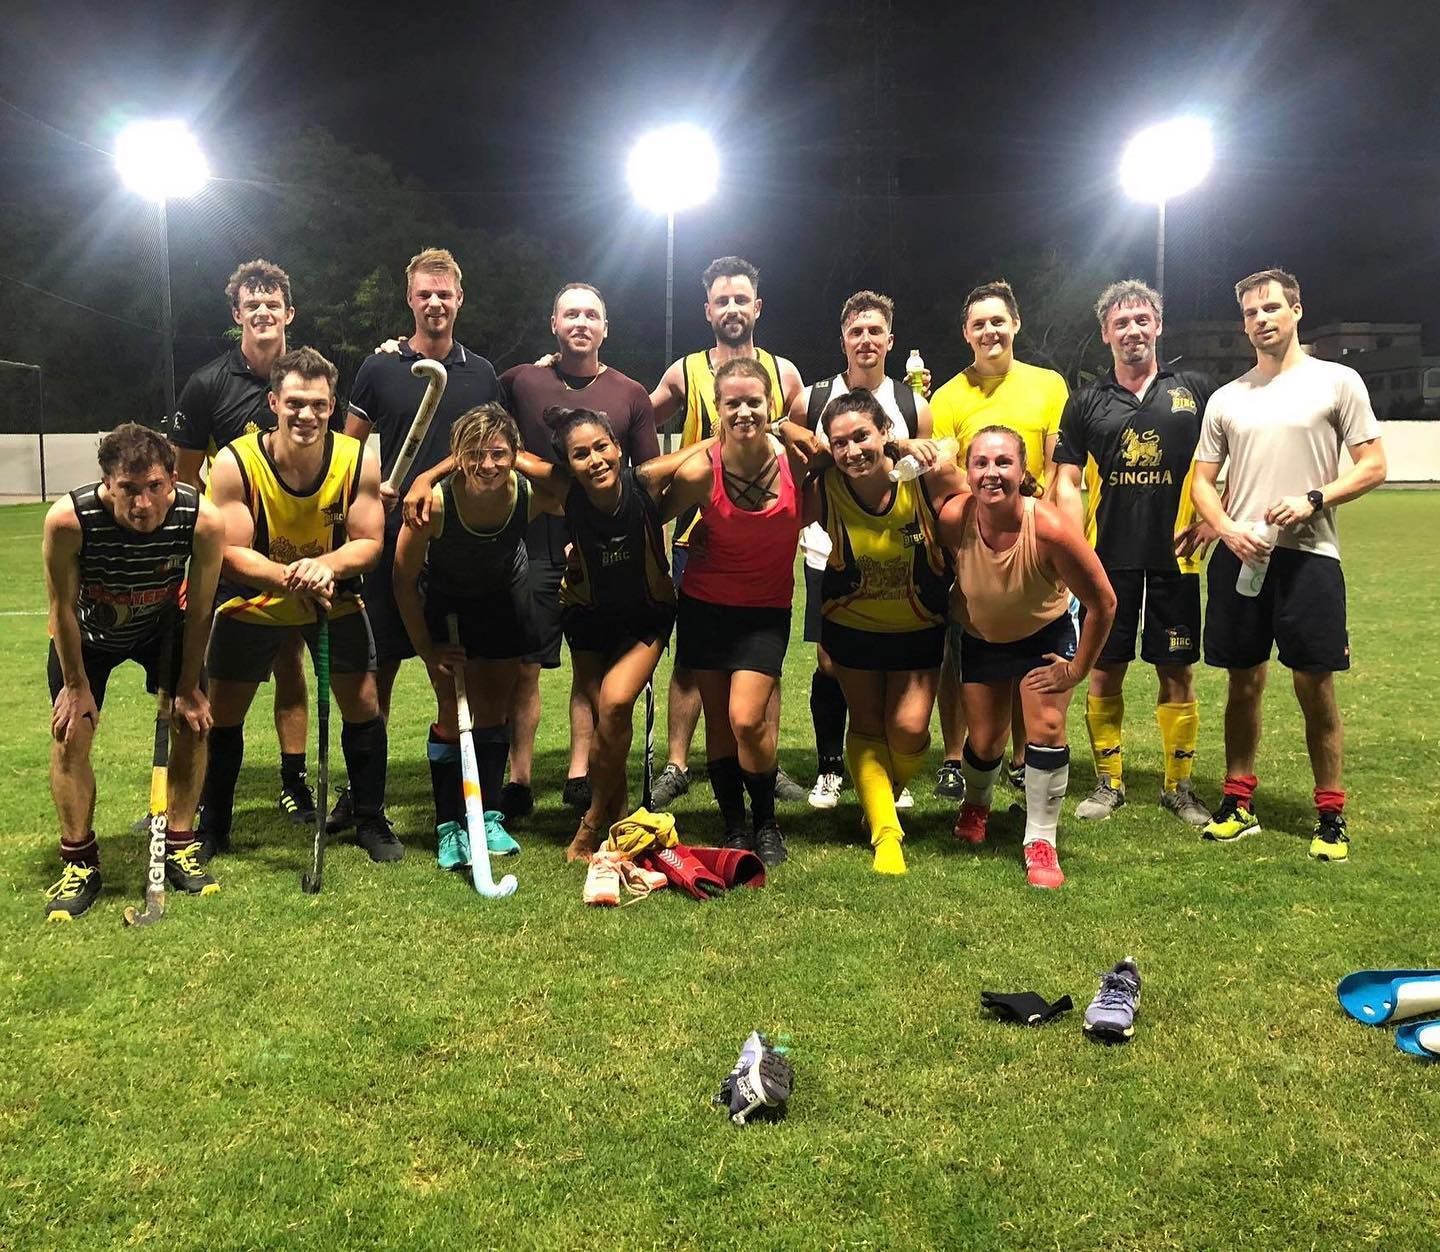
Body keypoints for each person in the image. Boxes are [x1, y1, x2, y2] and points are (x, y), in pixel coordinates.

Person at [402, 283, 659, 821]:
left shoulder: (631, 393)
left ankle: (579, 774)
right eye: (571, 313)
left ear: (605, 328)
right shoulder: (521, 379)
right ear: (554, 323)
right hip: (526, 545)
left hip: (596, 555)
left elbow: (644, 488)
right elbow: (484, 444)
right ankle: (516, 779)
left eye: (592, 314)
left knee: (596, 670)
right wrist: (428, 473)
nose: (581, 322)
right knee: (526, 668)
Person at [1190, 268, 1386, 861]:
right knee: (1242, 682)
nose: (1261, 320)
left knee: (1313, 684)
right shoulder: (1229, 396)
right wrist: (1224, 530)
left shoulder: (1337, 382)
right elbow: (1202, 482)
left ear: (1297, 310)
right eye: (1251, 313)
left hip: (1310, 558)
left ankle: (1330, 813)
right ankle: (1237, 802)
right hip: (1242, 558)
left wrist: (1314, 499)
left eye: (1271, 308)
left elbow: (1373, 464)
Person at [200, 347, 395, 863]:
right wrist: (292, 577)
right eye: (295, 403)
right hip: (259, 596)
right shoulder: (235, 461)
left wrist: (325, 566)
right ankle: (213, 823)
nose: (306, 415)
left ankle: (370, 818)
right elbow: (229, 551)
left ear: (333, 406)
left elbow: (370, 542)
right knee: (222, 711)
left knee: (364, 702)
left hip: (333, 595)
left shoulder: (358, 459)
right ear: (273, 402)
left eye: (318, 404)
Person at [339, 247, 500, 827]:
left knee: (448, 672)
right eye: (424, 294)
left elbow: (489, 450)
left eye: (444, 293)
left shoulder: (480, 372)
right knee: (375, 674)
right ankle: (362, 799)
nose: (435, 303)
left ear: (460, 299)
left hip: (454, 545)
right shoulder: (379, 367)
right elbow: (348, 450)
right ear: (410, 300)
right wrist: (368, 494)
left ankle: (457, 805)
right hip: (385, 541)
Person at [41, 423, 226, 920]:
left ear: (173, 479)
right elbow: (60, 608)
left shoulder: (202, 520)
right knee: (70, 733)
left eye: (154, 488)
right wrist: (76, 686)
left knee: (193, 722)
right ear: (107, 484)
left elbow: (203, 608)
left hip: (161, 630)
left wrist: (188, 687)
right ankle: (79, 860)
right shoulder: (70, 521)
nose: (142, 505)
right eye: (127, 490)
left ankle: (181, 843)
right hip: (88, 636)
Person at [508, 407, 710, 860]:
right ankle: (618, 811)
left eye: (602, 447)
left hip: (646, 617)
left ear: (618, 448)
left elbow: (702, 451)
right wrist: (426, 479)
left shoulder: (645, 483)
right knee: (605, 723)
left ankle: (594, 820)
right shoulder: (564, 488)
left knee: (615, 704)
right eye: (581, 454)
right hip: (587, 616)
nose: (595, 460)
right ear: (568, 465)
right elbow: (510, 452)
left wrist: (761, 429)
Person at [1050, 279, 1214, 827]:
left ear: (1158, 325)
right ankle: (1109, 783)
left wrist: (1214, 520)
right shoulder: (1087, 401)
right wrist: (1075, 551)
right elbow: (1067, 480)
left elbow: (1229, 460)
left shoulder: (1194, 389)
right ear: (1105, 334)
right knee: (1103, 670)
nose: (1133, 330)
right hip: (1107, 559)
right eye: (1121, 323)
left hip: (1176, 561)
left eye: (1142, 319)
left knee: (1177, 670)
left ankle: (1178, 786)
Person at [647, 256, 808, 809]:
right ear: (708, 309)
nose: (733, 308)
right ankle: (675, 762)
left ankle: (766, 756)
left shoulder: (783, 373)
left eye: (743, 299)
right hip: (699, 528)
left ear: (757, 307)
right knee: (693, 660)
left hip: (761, 531)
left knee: (760, 658)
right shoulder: (684, 370)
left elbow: (806, 443)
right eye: (723, 300)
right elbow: (635, 422)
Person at [165, 259, 315, 824]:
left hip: (294, 547)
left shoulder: (305, 378)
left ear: (288, 313)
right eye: (252, 305)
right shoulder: (208, 383)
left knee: (290, 660)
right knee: (215, 670)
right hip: (227, 554)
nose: (263, 312)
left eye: (272, 303)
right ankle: (202, 790)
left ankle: (292, 780)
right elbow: (184, 479)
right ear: (237, 316)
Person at [937, 426, 1116, 889]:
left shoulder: (1051, 529)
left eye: (1003, 463)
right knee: (985, 740)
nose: (991, 473)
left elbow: (1104, 602)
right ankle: (977, 803)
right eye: (980, 463)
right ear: (968, 471)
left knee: (1048, 727)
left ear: (1023, 471)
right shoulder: (955, 518)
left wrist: (1077, 669)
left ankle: (1040, 838)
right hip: (981, 636)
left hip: (1043, 637)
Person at [660, 356, 812, 865]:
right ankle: (735, 828)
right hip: (705, 606)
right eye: (733, 403)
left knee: (747, 719)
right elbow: (649, 510)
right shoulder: (702, 470)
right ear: (717, 409)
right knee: (721, 727)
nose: (744, 411)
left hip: (766, 610)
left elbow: (848, 472)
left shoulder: (795, 463)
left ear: (770, 403)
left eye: (754, 401)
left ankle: (767, 822)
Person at [804, 390, 962, 873]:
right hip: (852, 625)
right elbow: (780, 449)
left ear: (885, 433)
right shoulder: (824, 486)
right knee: (869, 727)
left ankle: (880, 799)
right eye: (840, 442)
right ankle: (886, 834)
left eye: (862, 436)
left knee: (910, 730)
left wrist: (920, 446)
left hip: (919, 625)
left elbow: (956, 457)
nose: (852, 450)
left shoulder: (923, 480)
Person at [791, 290, 934, 812]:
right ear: (844, 339)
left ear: (890, 340)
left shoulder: (914, 402)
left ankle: (890, 763)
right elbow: (793, 440)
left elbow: (927, 477)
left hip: (898, 549)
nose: (866, 340)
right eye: (857, 332)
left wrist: (899, 447)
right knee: (830, 662)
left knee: (891, 661)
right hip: (825, 548)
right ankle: (830, 767)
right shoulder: (815, 395)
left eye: (876, 332)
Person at [929, 280, 1069, 799]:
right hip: (973, 539)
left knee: (1028, 646)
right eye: (978, 323)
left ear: (1016, 324)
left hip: (1034, 538)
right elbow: (945, 476)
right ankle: (952, 754)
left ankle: (1018, 758)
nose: (989, 330)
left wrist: (1044, 529)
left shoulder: (1049, 385)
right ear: (966, 333)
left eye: (997, 320)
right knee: (963, 651)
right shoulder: (947, 396)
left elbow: (1058, 468)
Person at [392, 404, 532, 870]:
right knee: (453, 712)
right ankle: (449, 823)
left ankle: (488, 816)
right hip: (448, 607)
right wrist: (427, 651)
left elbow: (564, 484)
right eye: (474, 454)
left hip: (501, 602)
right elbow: (402, 580)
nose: (487, 465)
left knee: (494, 709)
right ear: (456, 456)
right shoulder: (435, 504)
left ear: (514, 454)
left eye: (498, 453)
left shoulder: (525, 492)